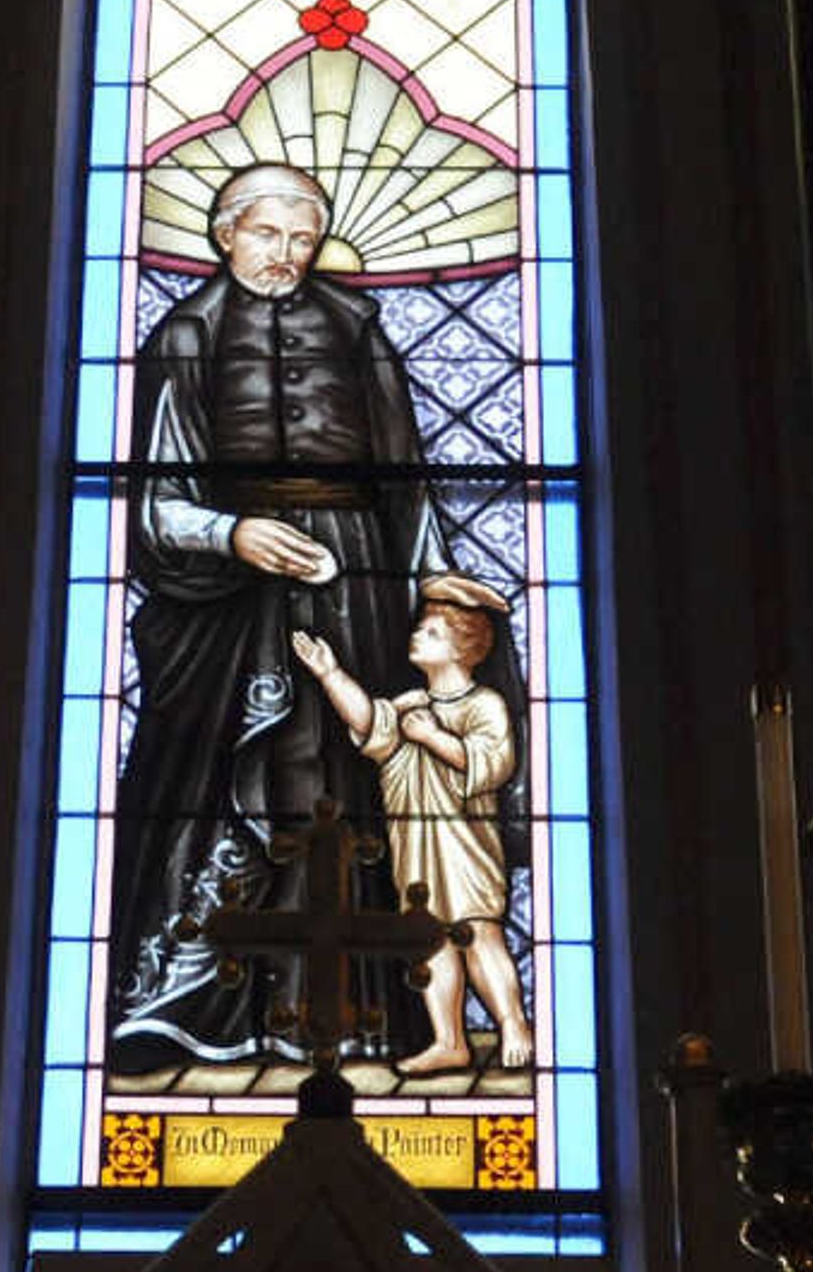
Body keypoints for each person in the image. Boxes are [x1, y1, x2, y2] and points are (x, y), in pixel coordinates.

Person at [105, 160, 448, 1074]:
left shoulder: (356, 326)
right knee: (223, 777)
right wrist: (233, 533)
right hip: (226, 590)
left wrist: (437, 589)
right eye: (267, 234)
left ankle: (357, 1015)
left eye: (303, 239)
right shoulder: (186, 333)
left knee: (342, 769)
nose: (286, 255)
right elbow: (153, 499)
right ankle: (193, 1006)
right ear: (224, 234)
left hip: (354, 575)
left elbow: (407, 476)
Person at [288, 575, 537, 1073]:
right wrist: (331, 674)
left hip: (466, 844)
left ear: (463, 649)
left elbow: (494, 762)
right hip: (415, 843)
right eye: (421, 629)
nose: (417, 637)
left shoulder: (482, 705)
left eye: (431, 633)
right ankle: (449, 1040)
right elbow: (368, 723)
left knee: (478, 931)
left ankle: (512, 1022)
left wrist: (432, 738)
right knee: (431, 939)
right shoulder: (409, 705)